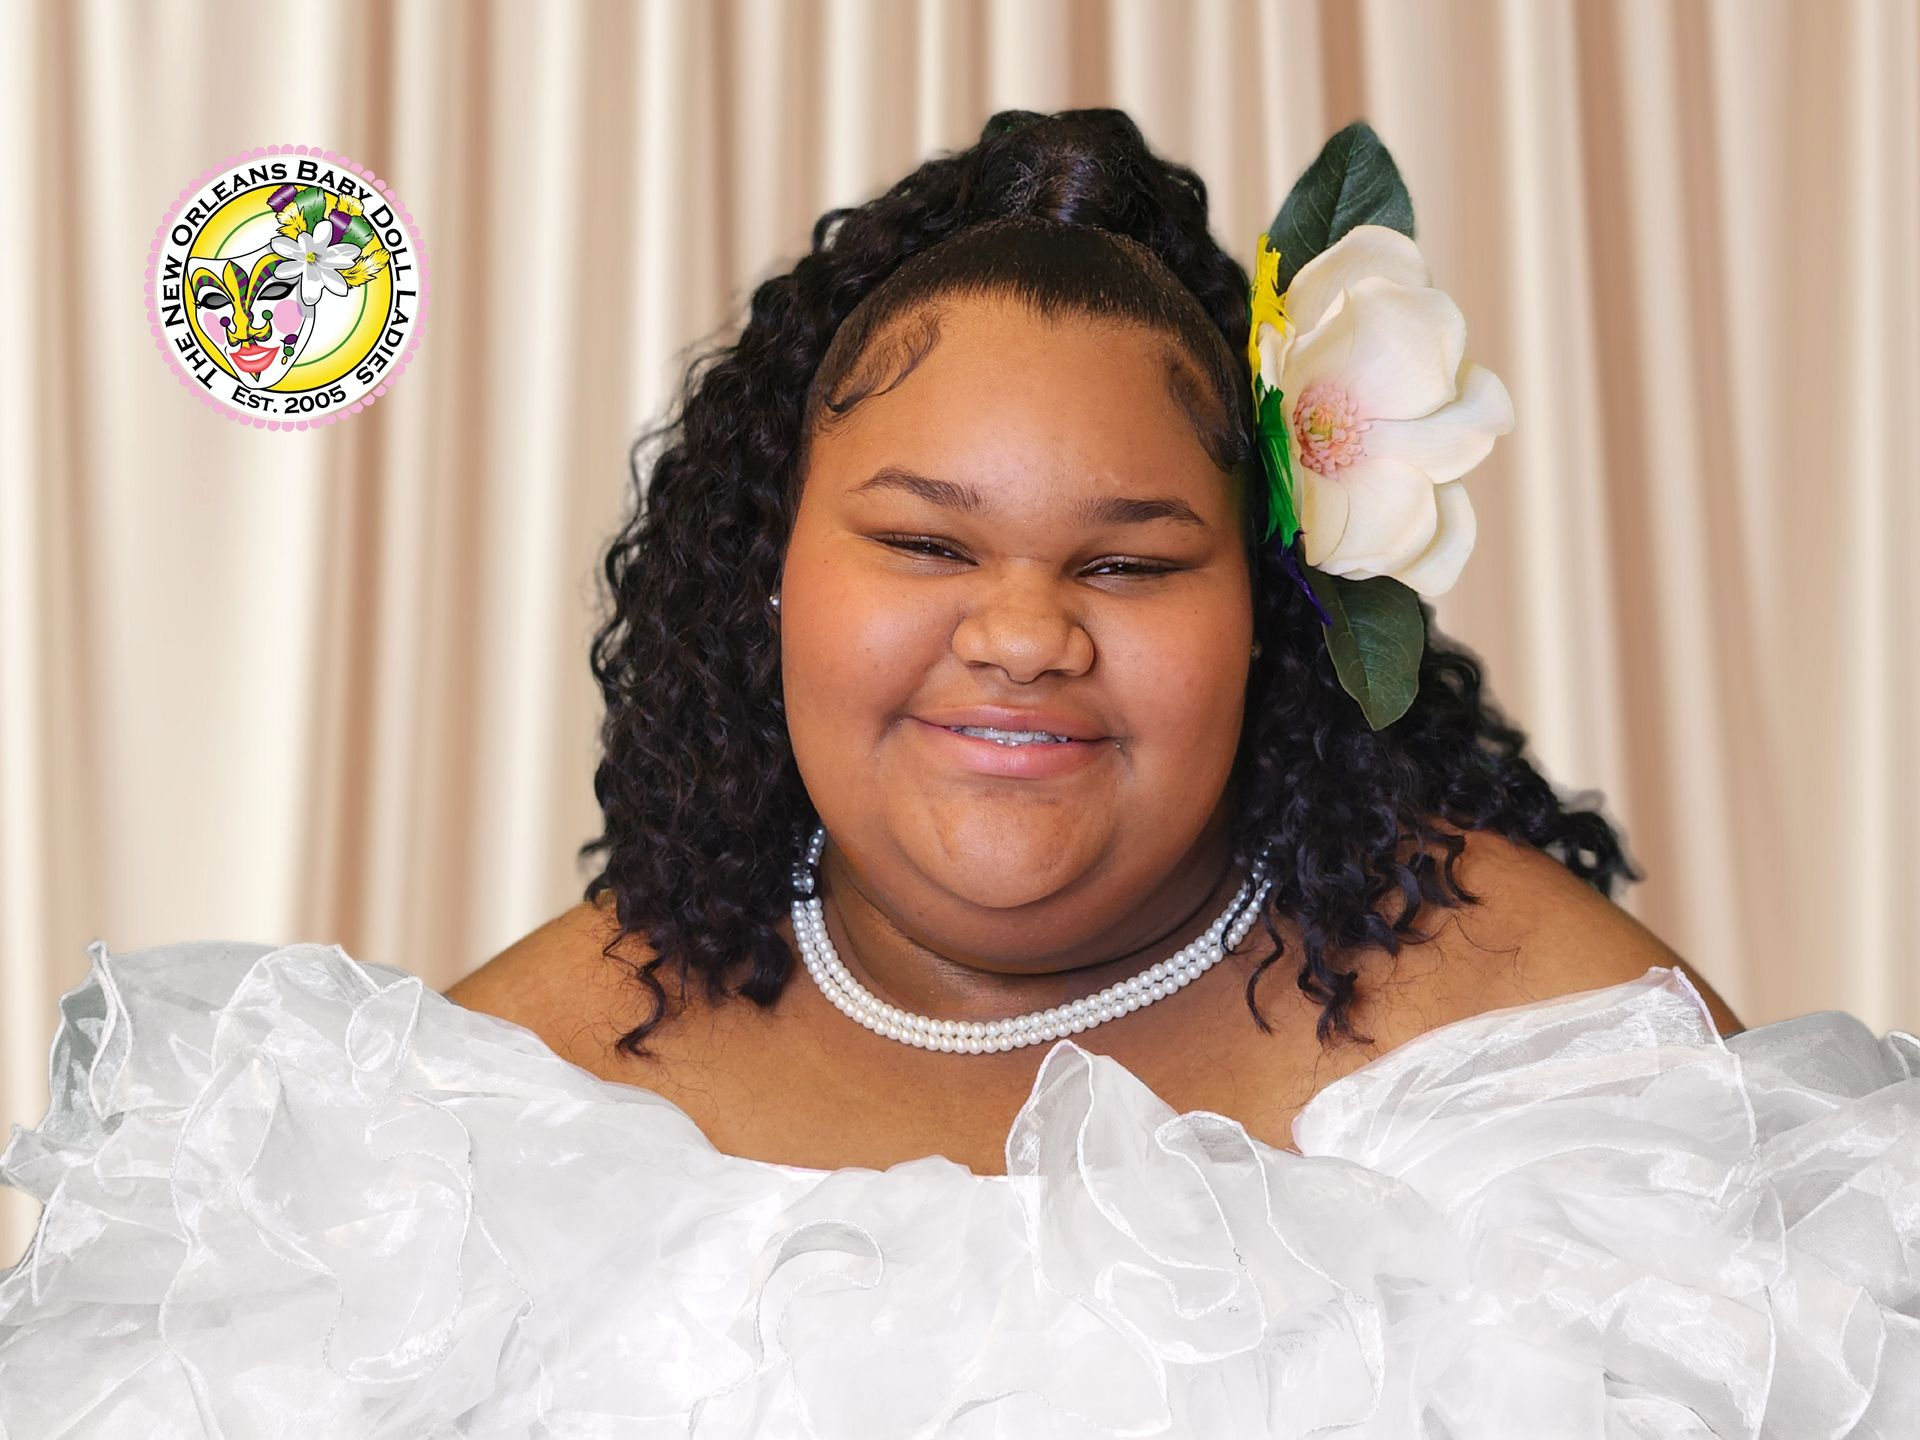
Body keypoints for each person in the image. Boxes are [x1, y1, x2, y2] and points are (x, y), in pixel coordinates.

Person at [2, 109, 1914, 1437]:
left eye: (1129, 565)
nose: (1022, 634)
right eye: (925, 544)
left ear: (1270, 606)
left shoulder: (1560, 1064)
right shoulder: (497, 1113)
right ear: (771, 582)